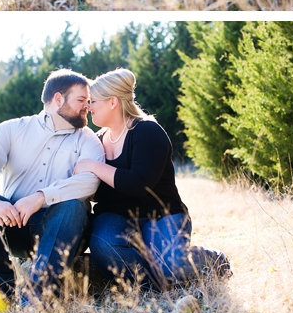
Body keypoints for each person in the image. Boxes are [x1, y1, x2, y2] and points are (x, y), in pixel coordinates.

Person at [0, 69, 104, 313]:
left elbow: (90, 181)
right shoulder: (13, 129)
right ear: (58, 99)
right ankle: (0, 293)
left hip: (64, 230)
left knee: (73, 206)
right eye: (81, 100)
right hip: (14, 225)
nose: (87, 107)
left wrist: (41, 197)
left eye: (88, 101)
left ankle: (37, 299)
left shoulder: (88, 140)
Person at [73, 68, 227, 289]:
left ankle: (214, 261)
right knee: (104, 246)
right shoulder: (96, 141)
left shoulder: (147, 131)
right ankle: (154, 286)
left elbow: (139, 184)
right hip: (115, 218)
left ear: (113, 102)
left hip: (160, 215)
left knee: (172, 265)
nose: (88, 107)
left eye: (93, 101)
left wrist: (93, 166)